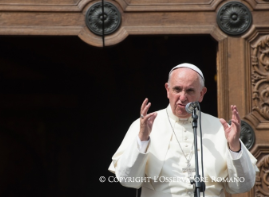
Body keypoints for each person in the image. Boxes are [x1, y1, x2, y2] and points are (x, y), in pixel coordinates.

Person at [108, 63, 258, 197]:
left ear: (201, 94)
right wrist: (142, 140)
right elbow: (127, 180)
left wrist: (234, 147)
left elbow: (242, 186)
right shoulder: (144, 126)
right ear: (167, 90)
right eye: (177, 89)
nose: (183, 97)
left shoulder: (220, 128)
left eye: (190, 91)